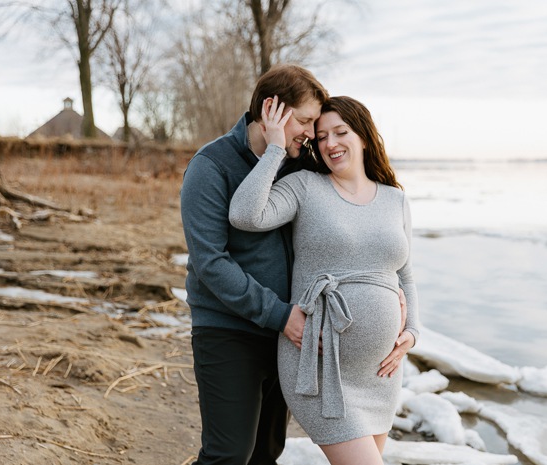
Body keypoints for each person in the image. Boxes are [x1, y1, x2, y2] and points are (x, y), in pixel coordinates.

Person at [229, 95, 420, 465]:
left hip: (381, 374)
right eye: (320, 137)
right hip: (321, 368)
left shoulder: (396, 200)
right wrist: (274, 149)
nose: (330, 143)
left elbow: (405, 275)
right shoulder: (305, 187)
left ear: (363, 136)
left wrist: (412, 332)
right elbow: (244, 215)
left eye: (340, 132)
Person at [180, 64, 328, 465]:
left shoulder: (301, 165)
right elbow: (210, 263)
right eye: (305, 120)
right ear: (271, 111)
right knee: (228, 456)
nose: (311, 133)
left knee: (266, 454)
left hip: (284, 334)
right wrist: (281, 315)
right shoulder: (210, 166)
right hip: (227, 331)